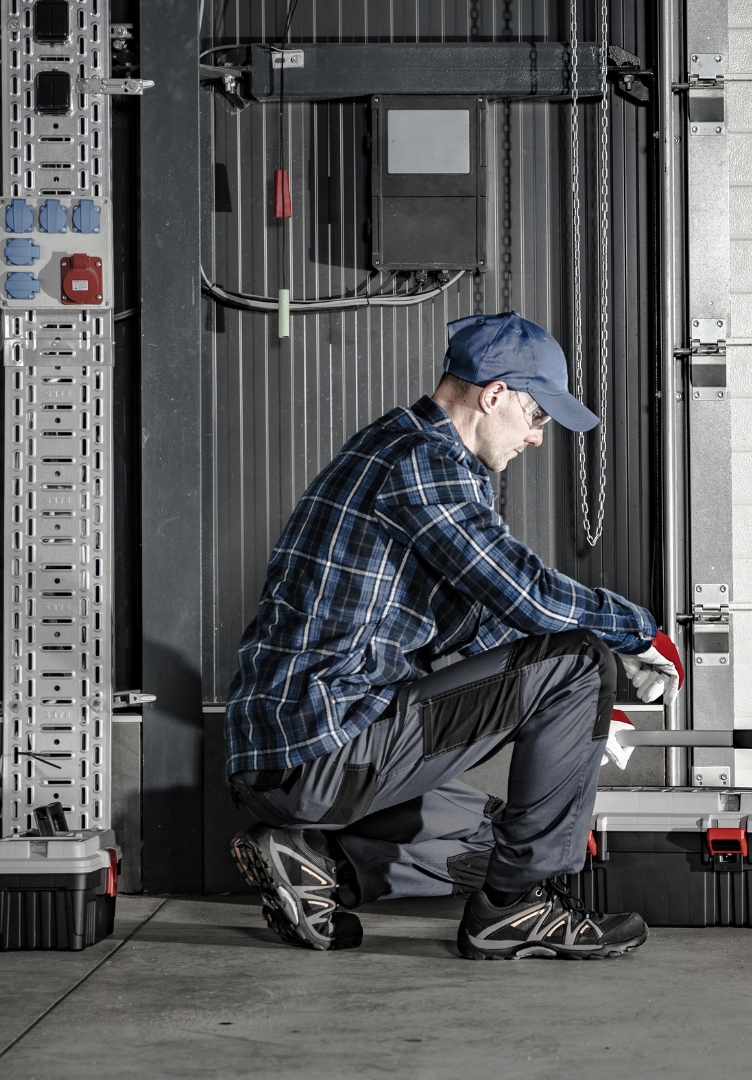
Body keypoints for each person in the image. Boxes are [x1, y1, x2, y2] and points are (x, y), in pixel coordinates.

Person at [222, 311, 681, 960]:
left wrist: (577, 722)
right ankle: (514, 911)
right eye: (538, 417)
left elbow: (479, 621)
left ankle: (321, 864)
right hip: (322, 748)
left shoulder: (393, 445)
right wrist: (637, 635)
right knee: (579, 661)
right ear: (494, 396)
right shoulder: (424, 462)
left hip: (296, 753)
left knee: (495, 833)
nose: (538, 438)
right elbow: (525, 594)